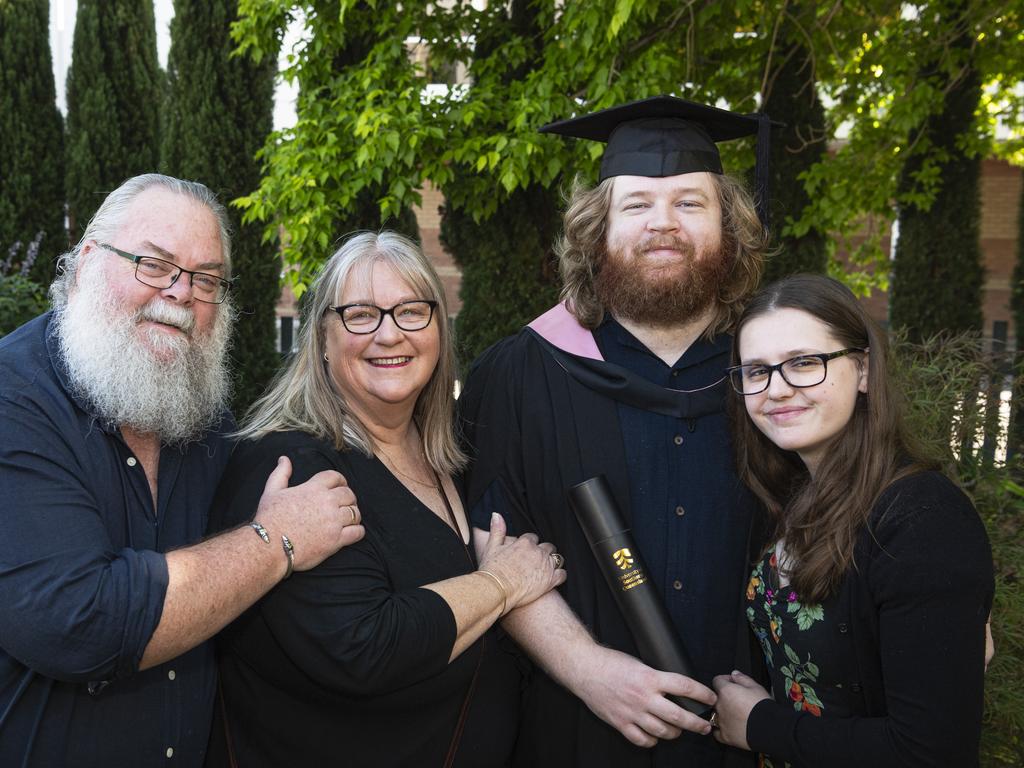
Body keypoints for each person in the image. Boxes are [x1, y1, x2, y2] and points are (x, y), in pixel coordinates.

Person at [0, 174, 364, 768]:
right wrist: (277, 541)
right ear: (88, 260)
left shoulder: (201, 413)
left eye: (206, 278)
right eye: (153, 263)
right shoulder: (15, 401)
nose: (179, 293)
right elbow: (80, 622)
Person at [459, 96, 772, 767]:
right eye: (636, 205)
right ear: (596, 230)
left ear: (731, 227)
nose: (664, 223)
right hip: (575, 729)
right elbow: (492, 541)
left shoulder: (777, 375)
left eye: (690, 203)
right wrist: (586, 668)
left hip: (747, 731)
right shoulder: (521, 373)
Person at [206, 231, 566, 767]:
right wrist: (504, 582)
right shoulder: (292, 468)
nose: (389, 334)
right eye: (360, 314)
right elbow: (362, 648)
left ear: (439, 330)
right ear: (322, 339)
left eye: (410, 311)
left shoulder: (450, 459)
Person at [712, 274, 994, 766]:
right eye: (756, 371)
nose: (776, 389)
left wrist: (759, 725)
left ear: (862, 370)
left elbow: (930, 753)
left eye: (804, 363)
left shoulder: (922, 521)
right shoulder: (787, 498)